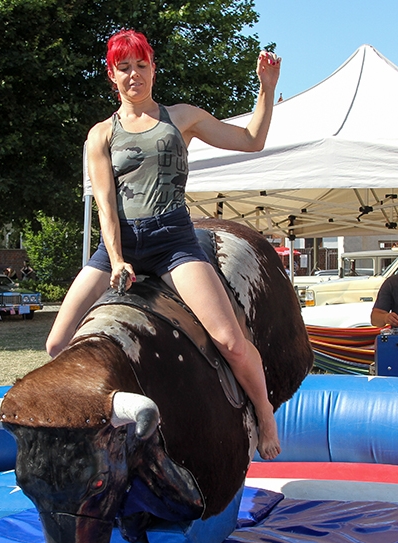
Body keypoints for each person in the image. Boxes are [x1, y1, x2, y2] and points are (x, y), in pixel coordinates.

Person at [45, 29, 283, 459]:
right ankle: (85, 428)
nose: (134, 75)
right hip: (122, 243)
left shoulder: (182, 117)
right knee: (56, 344)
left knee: (229, 340)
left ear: (153, 69)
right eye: (124, 68)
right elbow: (105, 204)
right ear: (112, 77)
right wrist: (116, 259)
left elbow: (252, 141)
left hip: (172, 240)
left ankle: (264, 411)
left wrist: (266, 91)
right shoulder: (100, 135)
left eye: (141, 65)